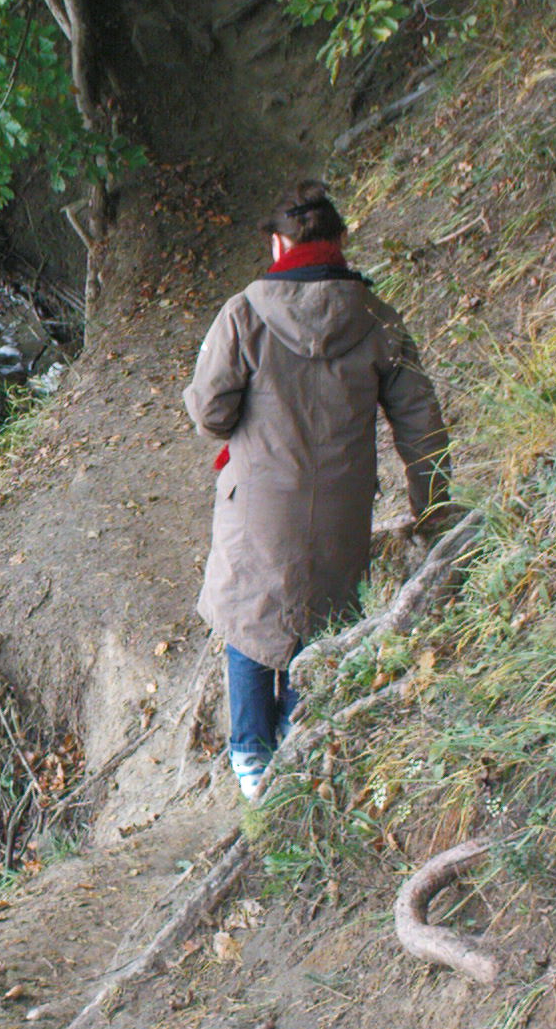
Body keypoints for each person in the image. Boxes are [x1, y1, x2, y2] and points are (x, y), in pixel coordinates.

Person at [183, 180, 451, 801]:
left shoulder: (244, 314)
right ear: (340, 242)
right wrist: (431, 507)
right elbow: (421, 421)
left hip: (256, 505)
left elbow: (210, 416)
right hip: (342, 507)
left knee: (249, 617)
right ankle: (302, 738)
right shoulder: (377, 317)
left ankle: (251, 754)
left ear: (279, 245)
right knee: (324, 625)